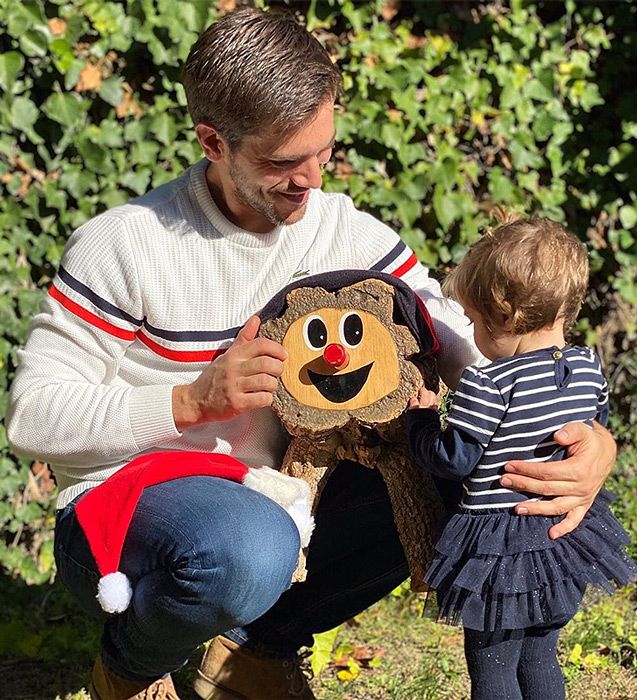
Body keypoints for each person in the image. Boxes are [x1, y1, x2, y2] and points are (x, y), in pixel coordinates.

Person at [6, 8, 616, 700]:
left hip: (286, 498)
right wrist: (189, 401)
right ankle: (132, 666)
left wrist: (583, 442)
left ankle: (255, 653)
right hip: (129, 512)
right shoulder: (124, 245)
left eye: (322, 153)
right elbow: (33, 417)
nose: (310, 181)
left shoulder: (344, 233)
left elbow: (462, 343)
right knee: (246, 545)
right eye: (282, 162)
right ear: (213, 140)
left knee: (446, 469)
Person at [406, 218, 636, 700]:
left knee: (492, 665)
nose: (470, 331)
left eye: (471, 318)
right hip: (562, 542)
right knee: (540, 653)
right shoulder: (587, 367)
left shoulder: (488, 384)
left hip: (498, 546)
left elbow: (453, 460)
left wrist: (422, 422)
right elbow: (593, 430)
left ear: (505, 313)